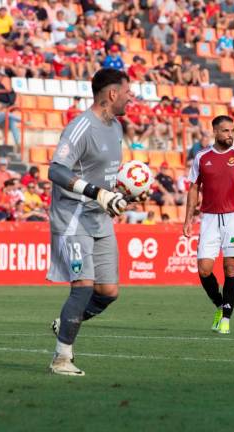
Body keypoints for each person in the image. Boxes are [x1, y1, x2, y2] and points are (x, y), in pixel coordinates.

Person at [46, 69, 142, 377]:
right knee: (83, 288)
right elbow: (56, 172)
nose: (132, 97)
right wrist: (96, 192)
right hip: (73, 216)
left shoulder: (116, 127)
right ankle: (61, 358)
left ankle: (66, 323)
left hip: (100, 217)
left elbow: (105, 175)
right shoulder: (79, 128)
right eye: (128, 92)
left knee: (108, 291)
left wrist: (123, 194)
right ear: (112, 94)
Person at [183, 115, 234, 335]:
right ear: (215, 132)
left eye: (232, 130)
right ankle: (219, 304)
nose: (230, 135)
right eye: (226, 131)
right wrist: (188, 218)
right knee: (204, 269)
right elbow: (193, 189)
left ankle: (226, 318)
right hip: (208, 218)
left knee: (230, 267)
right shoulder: (202, 157)